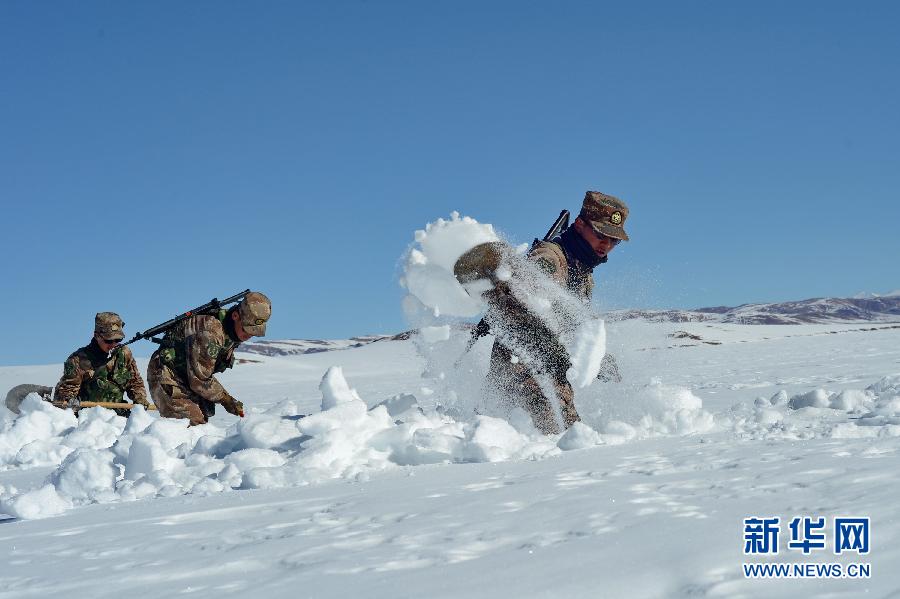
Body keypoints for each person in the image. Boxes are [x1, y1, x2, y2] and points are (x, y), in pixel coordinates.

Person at [454, 191, 629, 434]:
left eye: (614, 241)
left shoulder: (583, 271)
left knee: (548, 437)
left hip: (546, 367)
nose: (606, 245)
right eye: (601, 235)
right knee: (557, 440)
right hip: (523, 365)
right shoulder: (552, 257)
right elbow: (529, 285)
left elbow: (573, 323)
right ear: (579, 225)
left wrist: (598, 358)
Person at [147, 291, 271, 426]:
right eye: (246, 329)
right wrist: (226, 399)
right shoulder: (211, 331)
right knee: (190, 425)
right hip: (167, 375)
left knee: (201, 424)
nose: (249, 335)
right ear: (235, 316)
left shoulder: (232, 332)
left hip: (187, 377)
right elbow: (200, 379)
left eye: (254, 332)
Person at [54, 312, 150, 412]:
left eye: (118, 339)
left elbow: (135, 382)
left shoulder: (124, 354)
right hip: (89, 419)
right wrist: (69, 400)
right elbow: (66, 394)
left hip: (118, 417)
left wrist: (140, 399)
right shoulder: (78, 359)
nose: (113, 344)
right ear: (96, 336)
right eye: (108, 340)